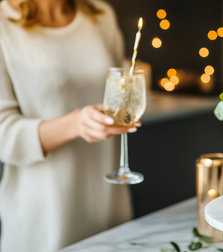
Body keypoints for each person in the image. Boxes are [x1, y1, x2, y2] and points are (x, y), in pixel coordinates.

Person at [0, 0, 138, 251]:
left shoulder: (100, 14)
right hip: (43, 216)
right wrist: (75, 124)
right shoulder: (3, 23)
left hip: (108, 201)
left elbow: (119, 86)